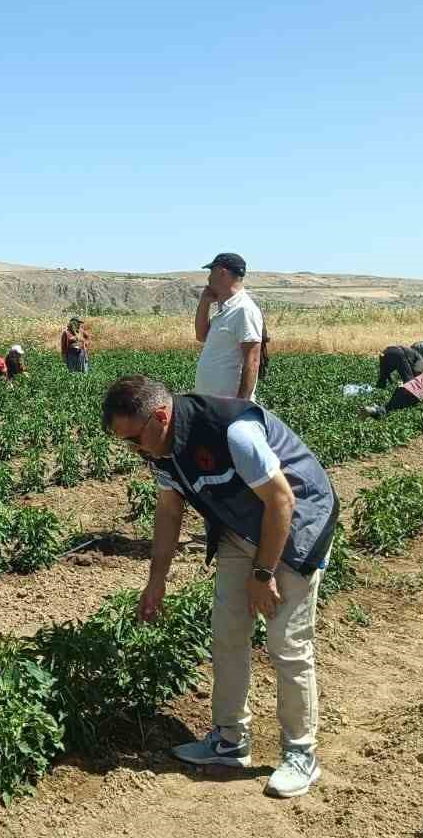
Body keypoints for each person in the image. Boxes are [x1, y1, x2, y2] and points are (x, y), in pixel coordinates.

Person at [102, 374, 338, 798]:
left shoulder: (233, 432)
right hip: (238, 528)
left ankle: (301, 754)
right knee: (227, 634)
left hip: (296, 523)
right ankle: (230, 741)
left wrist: (263, 575)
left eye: (134, 439)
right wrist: (156, 582)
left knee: (286, 642)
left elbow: (282, 501)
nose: (133, 451)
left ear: (160, 417)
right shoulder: (161, 449)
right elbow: (169, 514)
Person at [194, 253, 264, 401]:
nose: (208, 278)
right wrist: (204, 303)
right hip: (211, 403)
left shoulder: (244, 309)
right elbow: (201, 336)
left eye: (211, 272)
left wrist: (240, 405)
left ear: (222, 273)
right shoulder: (226, 310)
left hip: (228, 406)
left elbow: (252, 360)